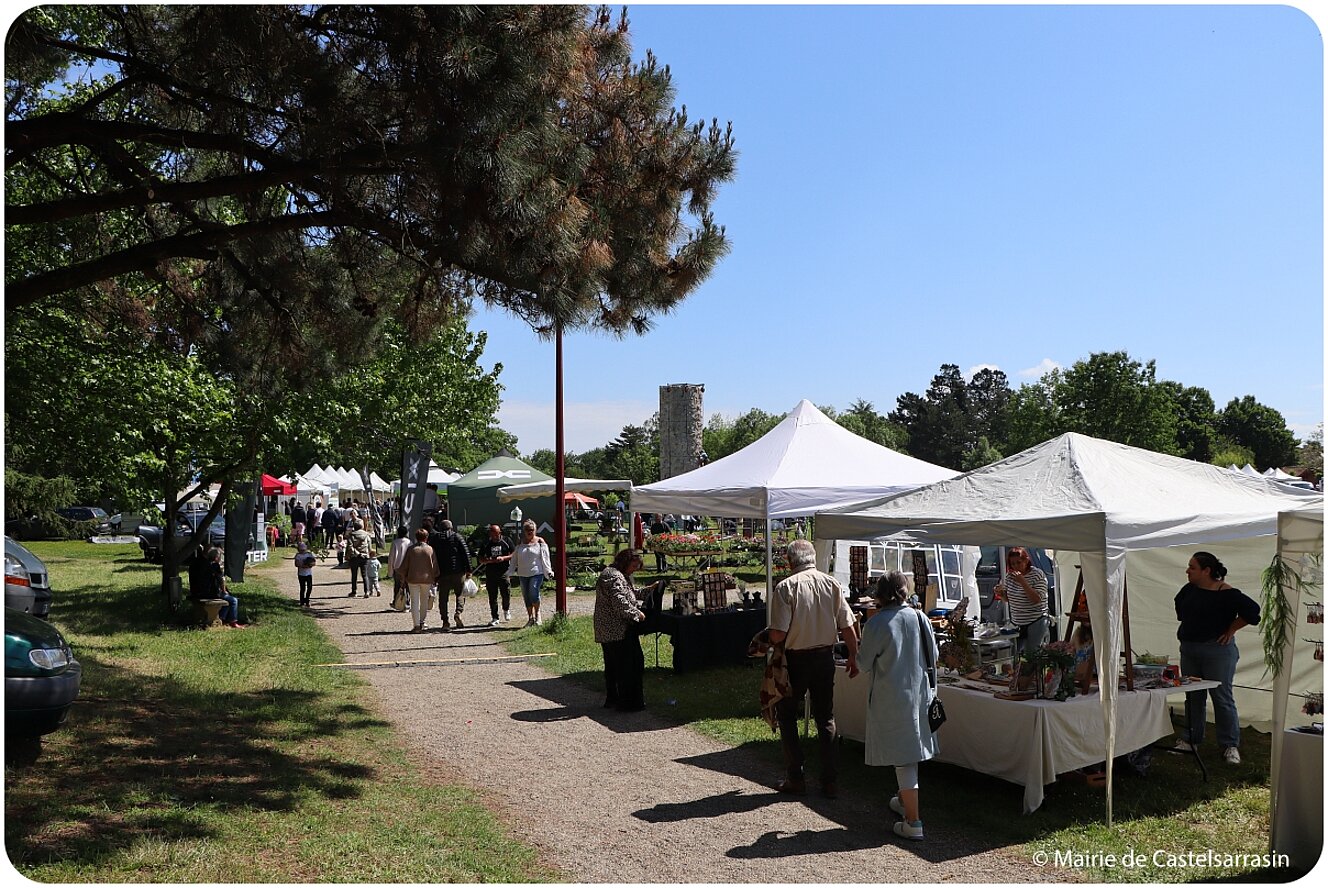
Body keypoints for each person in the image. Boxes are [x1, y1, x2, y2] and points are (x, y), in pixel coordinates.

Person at [767, 538, 859, 799]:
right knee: (826, 718)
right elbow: (848, 626)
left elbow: (777, 635)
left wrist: (768, 636)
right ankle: (829, 781)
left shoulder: (786, 587)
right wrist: (853, 655)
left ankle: (796, 777)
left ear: (789, 561)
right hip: (824, 658)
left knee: (786, 715)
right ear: (813, 558)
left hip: (796, 660)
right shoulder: (831, 583)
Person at [856, 572, 939, 840]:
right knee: (908, 754)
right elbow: (934, 655)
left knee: (904, 759)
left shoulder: (878, 624)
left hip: (893, 696)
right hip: (919, 693)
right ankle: (905, 802)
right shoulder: (920, 617)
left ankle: (913, 821)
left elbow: (863, 663)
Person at [1174, 551, 1261, 764]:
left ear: (1207, 571)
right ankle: (1191, 739)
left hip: (1217, 651)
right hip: (1190, 649)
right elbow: (1180, 609)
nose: (1188, 570)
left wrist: (1231, 629)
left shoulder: (1227, 593)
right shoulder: (1189, 589)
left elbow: (1253, 613)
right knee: (1193, 696)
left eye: (1192, 567)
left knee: (1221, 697)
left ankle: (1230, 745)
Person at [593, 548, 659, 712]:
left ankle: (613, 699)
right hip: (615, 629)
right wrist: (637, 614)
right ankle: (626, 702)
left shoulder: (617, 574)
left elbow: (630, 593)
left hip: (608, 629)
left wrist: (649, 589)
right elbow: (620, 601)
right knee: (626, 666)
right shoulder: (614, 576)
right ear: (625, 562)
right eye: (633, 566)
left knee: (613, 666)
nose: (634, 570)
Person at [995, 547, 1049, 656]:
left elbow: (1036, 599)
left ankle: (1033, 672)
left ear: (1026, 560)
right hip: (1017, 622)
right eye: (1013, 564)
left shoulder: (1037, 575)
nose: (1016, 566)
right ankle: (1017, 672)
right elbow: (1008, 599)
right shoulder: (1009, 577)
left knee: (1032, 654)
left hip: (1036, 620)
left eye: (1018, 563)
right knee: (1014, 653)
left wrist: (1023, 582)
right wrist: (1001, 594)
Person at [431, 519, 473, 630]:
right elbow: (465, 553)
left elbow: (432, 555)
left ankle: (445, 622)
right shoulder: (457, 537)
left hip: (443, 572)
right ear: (451, 527)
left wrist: (433, 573)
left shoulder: (435, 539)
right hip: (458, 571)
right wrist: (469, 569)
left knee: (443, 598)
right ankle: (458, 613)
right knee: (460, 594)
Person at [511, 519, 553, 627]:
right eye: (527, 530)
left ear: (535, 530)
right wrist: (511, 570)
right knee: (526, 595)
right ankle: (530, 618)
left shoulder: (540, 541)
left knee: (533, 591)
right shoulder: (520, 542)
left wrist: (548, 571)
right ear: (524, 531)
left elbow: (546, 558)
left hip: (536, 572)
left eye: (532, 530)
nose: (529, 532)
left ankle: (538, 614)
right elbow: (515, 557)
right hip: (523, 573)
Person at [477, 524, 515, 626]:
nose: (494, 536)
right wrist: (487, 561)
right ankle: (495, 617)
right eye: (492, 534)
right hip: (491, 573)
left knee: (506, 593)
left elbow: (514, 553)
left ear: (500, 533)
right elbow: (480, 558)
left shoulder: (506, 541)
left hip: (504, 571)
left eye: (496, 534)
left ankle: (506, 609)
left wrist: (504, 558)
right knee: (492, 596)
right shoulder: (486, 543)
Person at [401, 527, 439, 633]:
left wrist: (403, 577)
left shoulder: (411, 549)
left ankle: (416, 625)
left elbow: (405, 566)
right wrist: (435, 576)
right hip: (426, 579)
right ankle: (422, 621)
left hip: (412, 578)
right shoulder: (430, 549)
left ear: (416, 537)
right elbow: (434, 565)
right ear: (426, 537)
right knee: (424, 601)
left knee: (414, 601)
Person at [203, 546, 244, 628]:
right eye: (219, 557)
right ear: (216, 557)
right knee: (233, 600)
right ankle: (233, 621)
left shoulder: (206, 565)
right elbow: (221, 580)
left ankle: (221, 619)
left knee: (227, 602)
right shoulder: (216, 566)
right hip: (213, 593)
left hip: (205, 591)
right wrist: (224, 590)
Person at [345, 520, 373, 597]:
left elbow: (350, 547)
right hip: (365, 556)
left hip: (354, 557)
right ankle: (366, 591)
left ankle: (354, 591)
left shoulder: (351, 535)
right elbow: (370, 547)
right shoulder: (367, 535)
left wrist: (356, 553)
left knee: (354, 575)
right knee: (364, 574)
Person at [388, 525, 412, 610]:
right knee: (407, 586)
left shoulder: (395, 543)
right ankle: (407, 603)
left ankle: (397, 602)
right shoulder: (409, 542)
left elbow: (391, 557)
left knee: (397, 586)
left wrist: (390, 571)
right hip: (408, 568)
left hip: (397, 567)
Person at [294, 541, 316, 606]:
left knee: (309, 587)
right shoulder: (298, 555)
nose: (302, 551)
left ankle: (307, 600)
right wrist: (304, 565)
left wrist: (310, 564)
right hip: (301, 574)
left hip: (309, 574)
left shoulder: (309, 554)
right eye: (301, 549)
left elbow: (314, 563)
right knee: (302, 588)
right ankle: (302, 601)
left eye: (303, 549)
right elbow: (296, 564)